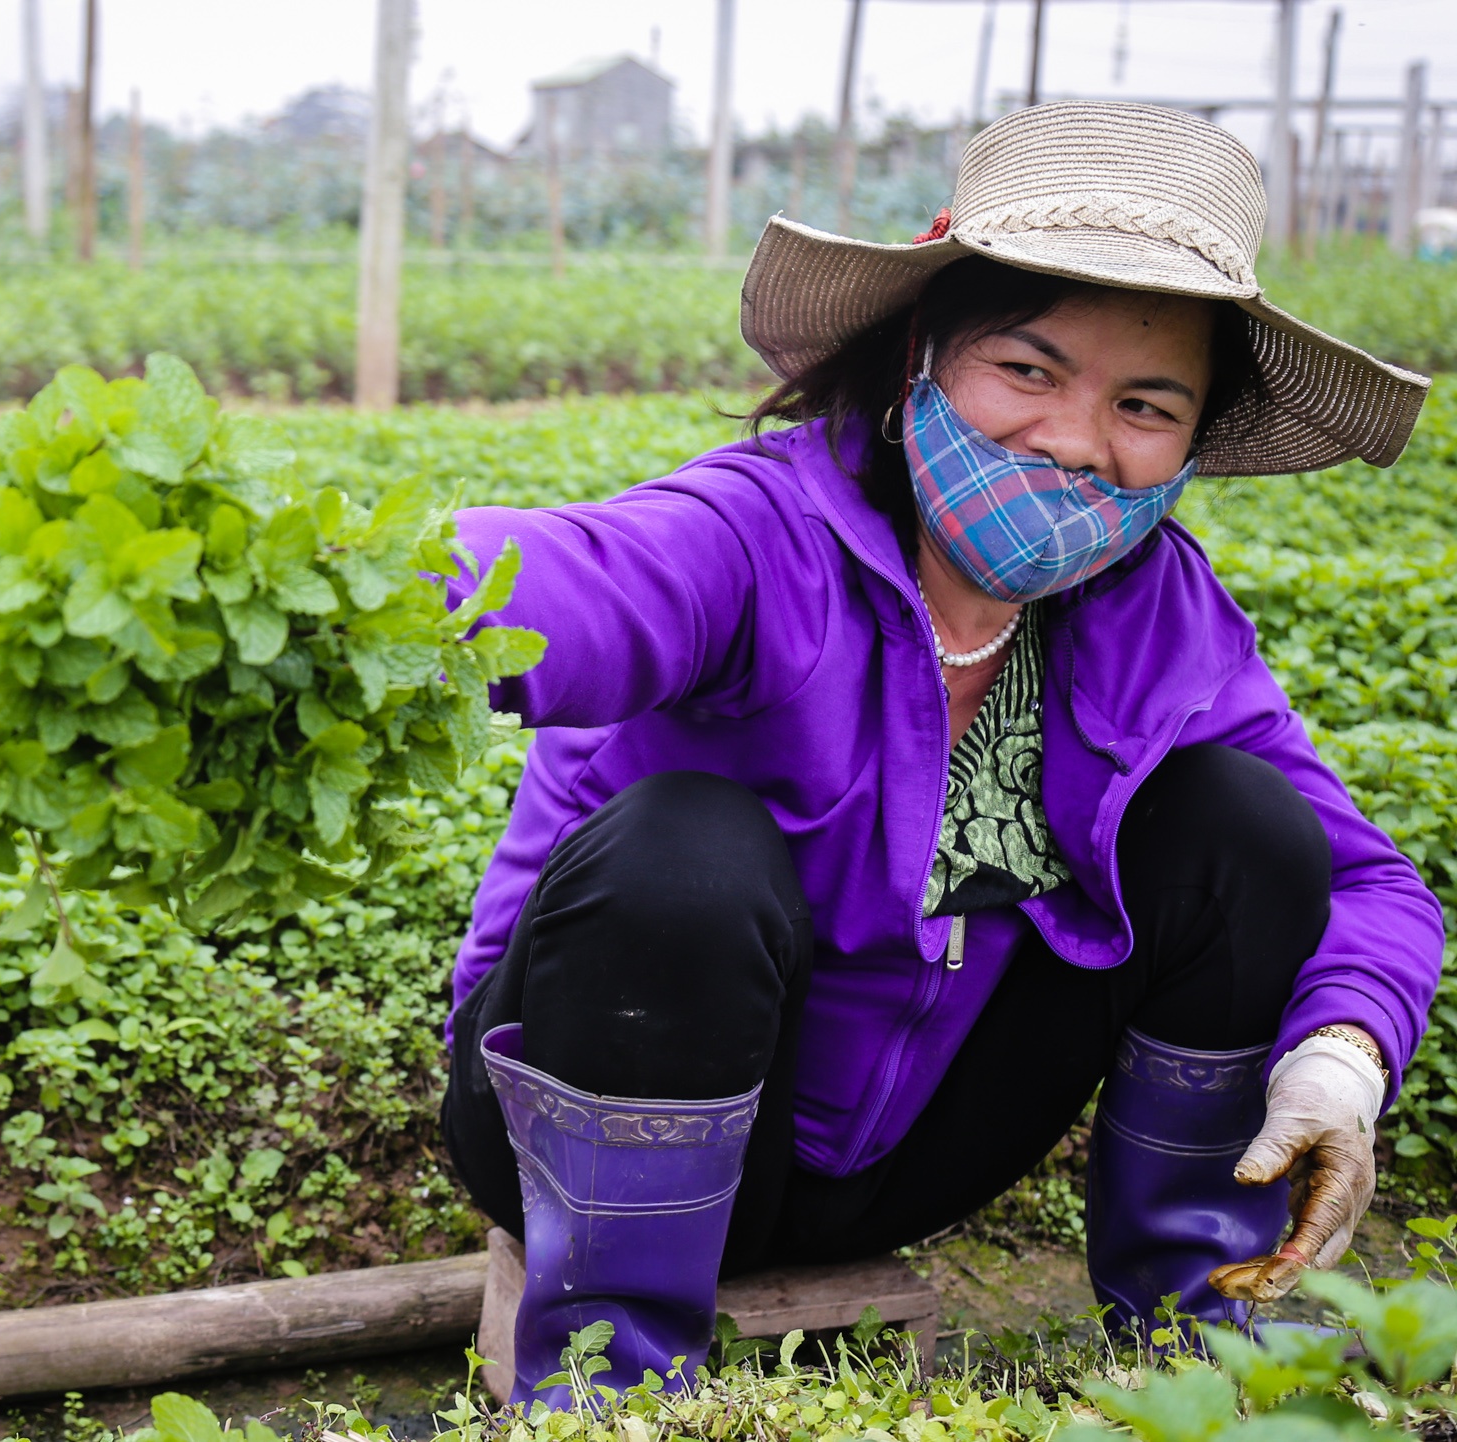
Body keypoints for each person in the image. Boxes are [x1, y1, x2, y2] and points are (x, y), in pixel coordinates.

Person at [439, 102, 1441, 1408]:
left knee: (1246, 828)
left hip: (903, 1158)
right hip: (585, 1113)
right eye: (1028, 370)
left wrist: (1344, 1054)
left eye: (1144, 404)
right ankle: (609, 1395)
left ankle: (1208, 1343)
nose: (1079, 441)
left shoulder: (1156, 614)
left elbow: (1371, 882)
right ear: (922, 349)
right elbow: (584, 582)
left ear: (1192, 443)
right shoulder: (761, 535)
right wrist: (366, 602)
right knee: (685, 853)